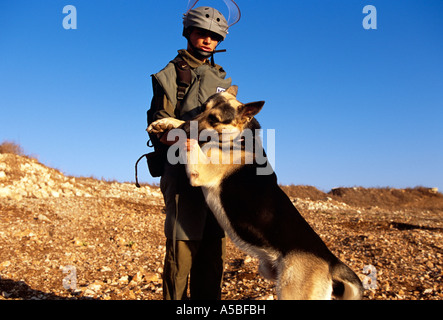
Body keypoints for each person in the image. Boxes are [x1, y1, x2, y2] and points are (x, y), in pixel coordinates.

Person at [147, 6, 236, 300]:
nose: (208, 40)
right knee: (181, 249)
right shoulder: (171, 74)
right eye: (202, 33)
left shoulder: (224, 80)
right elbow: (159, 126)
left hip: (215, 177)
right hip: (182, 172)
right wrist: (184, 136)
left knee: (213, 250)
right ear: (189, 33)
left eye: (214, 37)